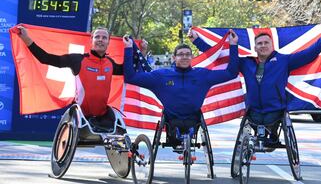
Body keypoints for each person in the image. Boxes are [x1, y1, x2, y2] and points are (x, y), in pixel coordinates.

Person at [189, 23, 321, 144]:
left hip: (276, 110)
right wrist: (197, 40)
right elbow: (219, 56)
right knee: (253, 127)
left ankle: (272, 134)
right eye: (260, 43)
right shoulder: (246, 63)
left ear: (272, 45)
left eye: (266, 43)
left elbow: (310, 52)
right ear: (255, 47)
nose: (263, 45)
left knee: (271, 130)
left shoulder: (284, 60)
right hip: (253, 110)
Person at [123, 30, 239, 148]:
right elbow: (131, 77)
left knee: (191, 121)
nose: (184, 57)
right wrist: (128, 49)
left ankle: (187, 133)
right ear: (174, 57)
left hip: (194, 119)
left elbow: (231, 73)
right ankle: (176, 134)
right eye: (180, 54)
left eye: (187, 54)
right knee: (174, 125)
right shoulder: (161, 76)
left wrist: (233, 45)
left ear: (192, 57)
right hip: (171, 120)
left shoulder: (202, 75)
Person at [16, 25, 146, 128]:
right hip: (80, 115)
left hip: (103, 116)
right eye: (97, 37)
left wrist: (141, 52)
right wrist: (27, 39)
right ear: (92, 41)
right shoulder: (77, 60)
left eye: (104, 37)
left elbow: (130, 71)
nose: (100, 39)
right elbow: (46, 58)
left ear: (108, 43)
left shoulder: (110, 63)